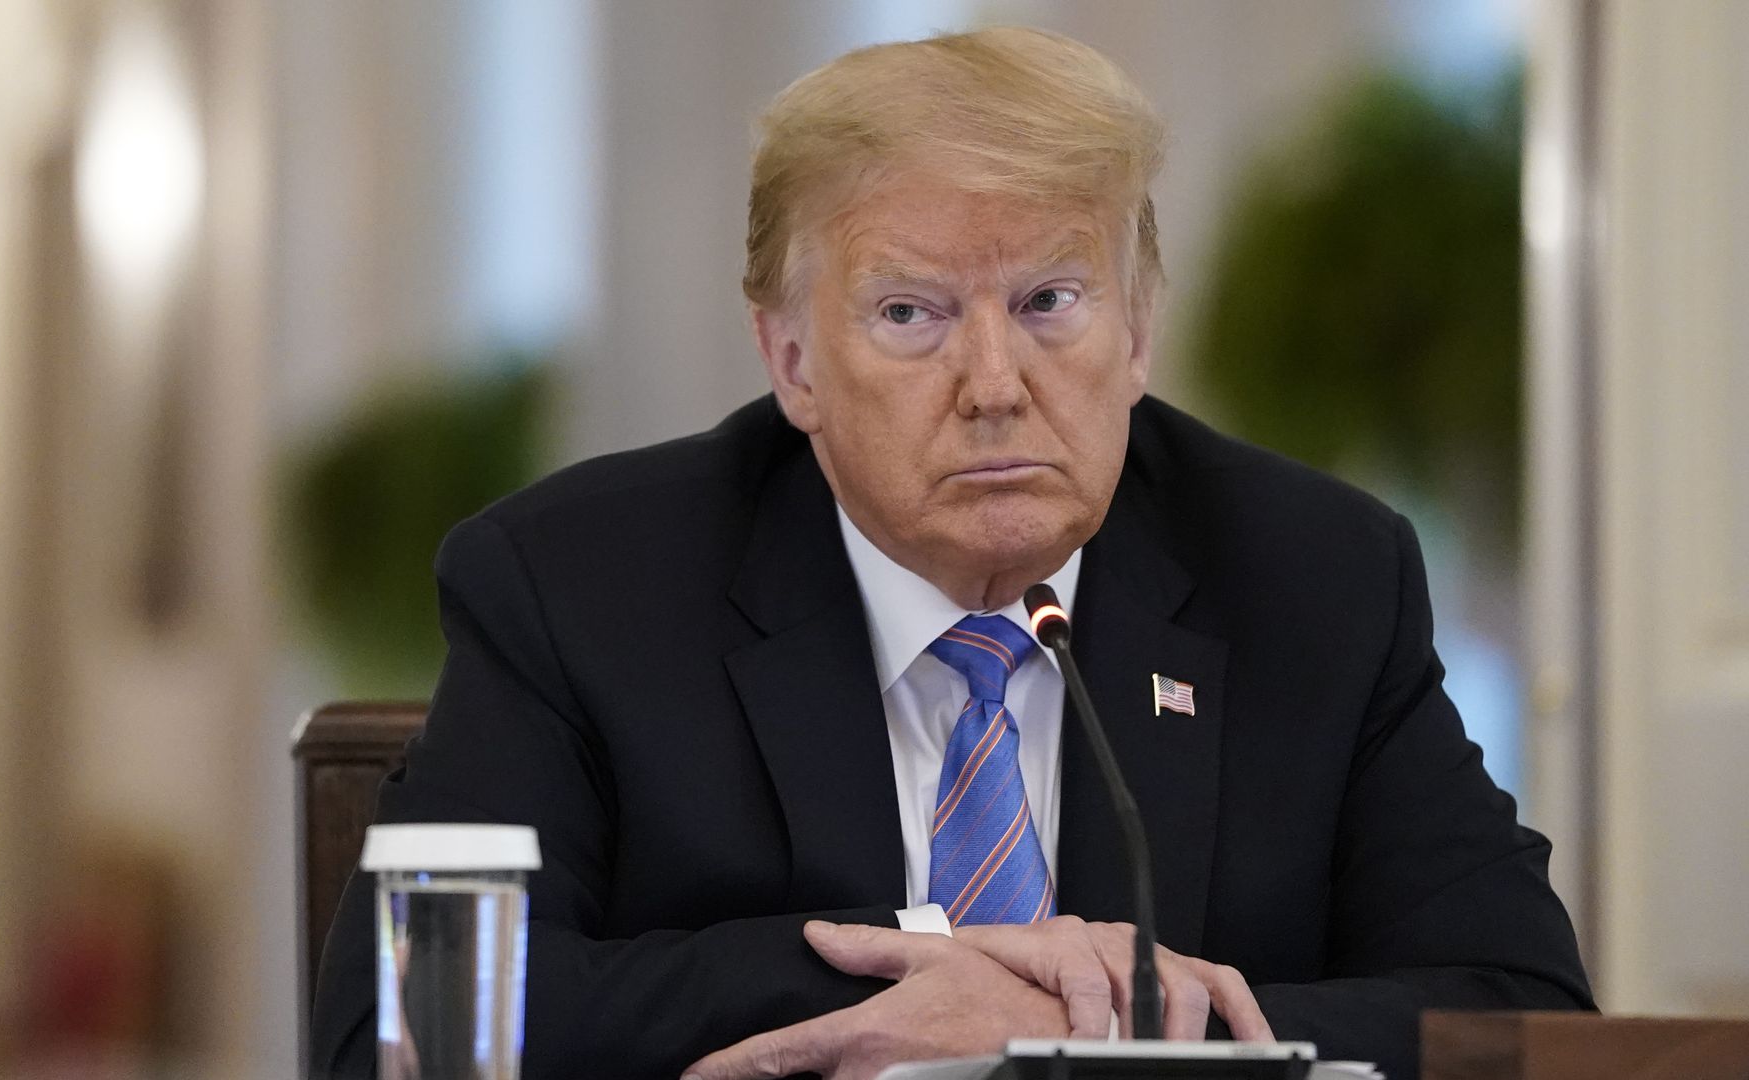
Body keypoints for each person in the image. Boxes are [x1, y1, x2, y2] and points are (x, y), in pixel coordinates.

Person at [310, 26, 1592, 1080]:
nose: (994, 383)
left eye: (1050, 302)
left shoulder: (1316, 579)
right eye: (911, 313)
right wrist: (919, 970)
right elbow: (403, 1027)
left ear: (1137, 331)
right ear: (793, 359)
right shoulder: (577, 585)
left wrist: (1129, 1021)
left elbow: (1522, 1016)